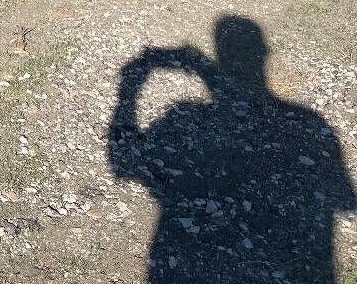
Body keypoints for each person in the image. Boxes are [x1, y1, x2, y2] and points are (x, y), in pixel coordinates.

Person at [109, 15, 355, 283]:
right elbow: (343, 202)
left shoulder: (182, 115)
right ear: (264, 54)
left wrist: (128, 91)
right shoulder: (311, 123)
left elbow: (123, 163)